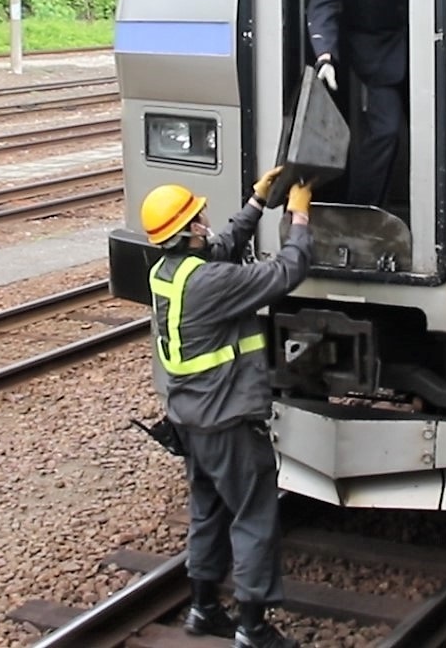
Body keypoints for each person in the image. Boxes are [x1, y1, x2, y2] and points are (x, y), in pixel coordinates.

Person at [139, 167, 315, 648]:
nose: (206, 221)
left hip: (190, 419)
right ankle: (253, 629)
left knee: (208, 512)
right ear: (188, 230)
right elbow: (286, 271)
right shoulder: (211, 285)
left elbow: (221, 248)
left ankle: (203, 609)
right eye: (199, 217)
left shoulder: (168, 274)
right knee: (255, 517)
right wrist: (299, 215)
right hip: (227, 420)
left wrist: (257, 203)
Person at [307, 0, 407, 207]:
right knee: (386, 131)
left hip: (426, 48)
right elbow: (324, 1)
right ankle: (361, 211)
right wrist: (325, 55)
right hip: (377, 58)